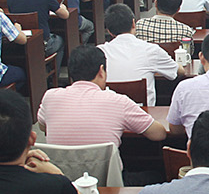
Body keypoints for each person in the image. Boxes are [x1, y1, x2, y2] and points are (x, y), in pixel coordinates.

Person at [38, 45, 167, 146]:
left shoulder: (50, 97)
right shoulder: (118, 101)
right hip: (107, 173)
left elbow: (43, 126)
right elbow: (158, 134)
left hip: (59, 172)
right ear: (101, 70)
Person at [100, 3, 184, 106]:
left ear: (109, 31)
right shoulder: (151, 50)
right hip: (143, 111)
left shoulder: (99, 52)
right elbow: (178, 72)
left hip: (109, 110)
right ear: (133, 23)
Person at [5, 0, 70, 64]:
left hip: (20, 43)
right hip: (43, 43)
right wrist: (62, 7)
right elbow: (65, 15)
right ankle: (52, 71)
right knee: (60, 41)